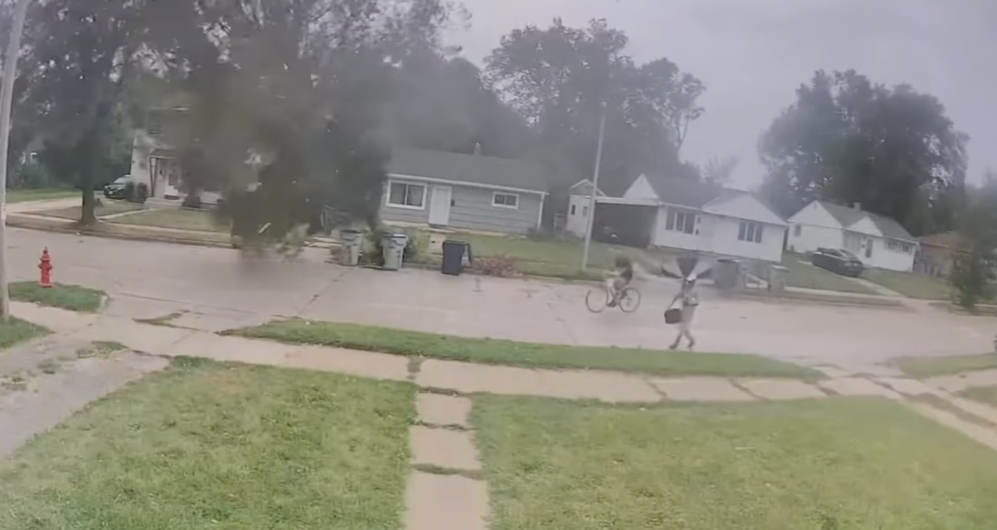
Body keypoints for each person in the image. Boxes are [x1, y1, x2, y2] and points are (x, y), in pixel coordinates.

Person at [669, 274, 699, 350]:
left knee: (683, 328)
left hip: (689, 310)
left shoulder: (694, 291)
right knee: (684, 328)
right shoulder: (685, 290)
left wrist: (688, 299)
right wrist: (672, 304)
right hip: (684, 309)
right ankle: (691, 341)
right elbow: (678, 296)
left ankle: (676, 344)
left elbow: (695, 302)